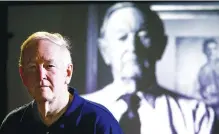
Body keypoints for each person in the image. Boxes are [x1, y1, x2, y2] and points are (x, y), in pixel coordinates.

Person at [82, 2, 218, 134]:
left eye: (143, 36)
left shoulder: (197, 115)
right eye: (122, 37)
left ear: (161, 46)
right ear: (105, 50)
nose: (132, 47)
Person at [0, 31, 124, 134]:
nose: (41, 75)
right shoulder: (13, 124)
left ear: (68, 72)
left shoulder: (98, 122)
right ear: (23, 75)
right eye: (32, 67)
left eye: (50, 66)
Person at [198, 38, 219, 117]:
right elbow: (202, 89)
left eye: (214, 49)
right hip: (210, 109)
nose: (211, 52)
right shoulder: (202, 70)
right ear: (204, 51)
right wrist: (204, 94)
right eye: (208, 49)